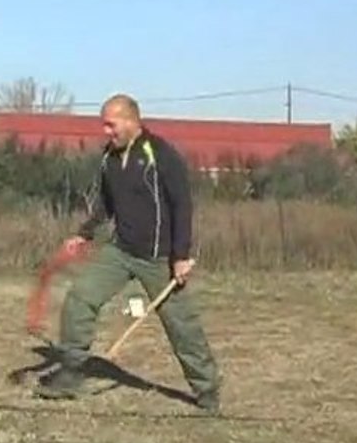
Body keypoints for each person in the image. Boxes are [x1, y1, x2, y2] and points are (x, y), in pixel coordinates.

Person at [34, 93, 221, 414]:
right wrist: (84, 233)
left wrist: (180, 255)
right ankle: (71, 371)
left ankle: (207, 389)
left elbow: (182, 205)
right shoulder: (109, 158)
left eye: (111, 124)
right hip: (120, 251)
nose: (106, 131)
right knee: (80, 297)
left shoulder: (160, 154)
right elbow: (107, 204)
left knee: (181, 325)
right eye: (104, 125)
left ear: (131, 120)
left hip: (159, 257)